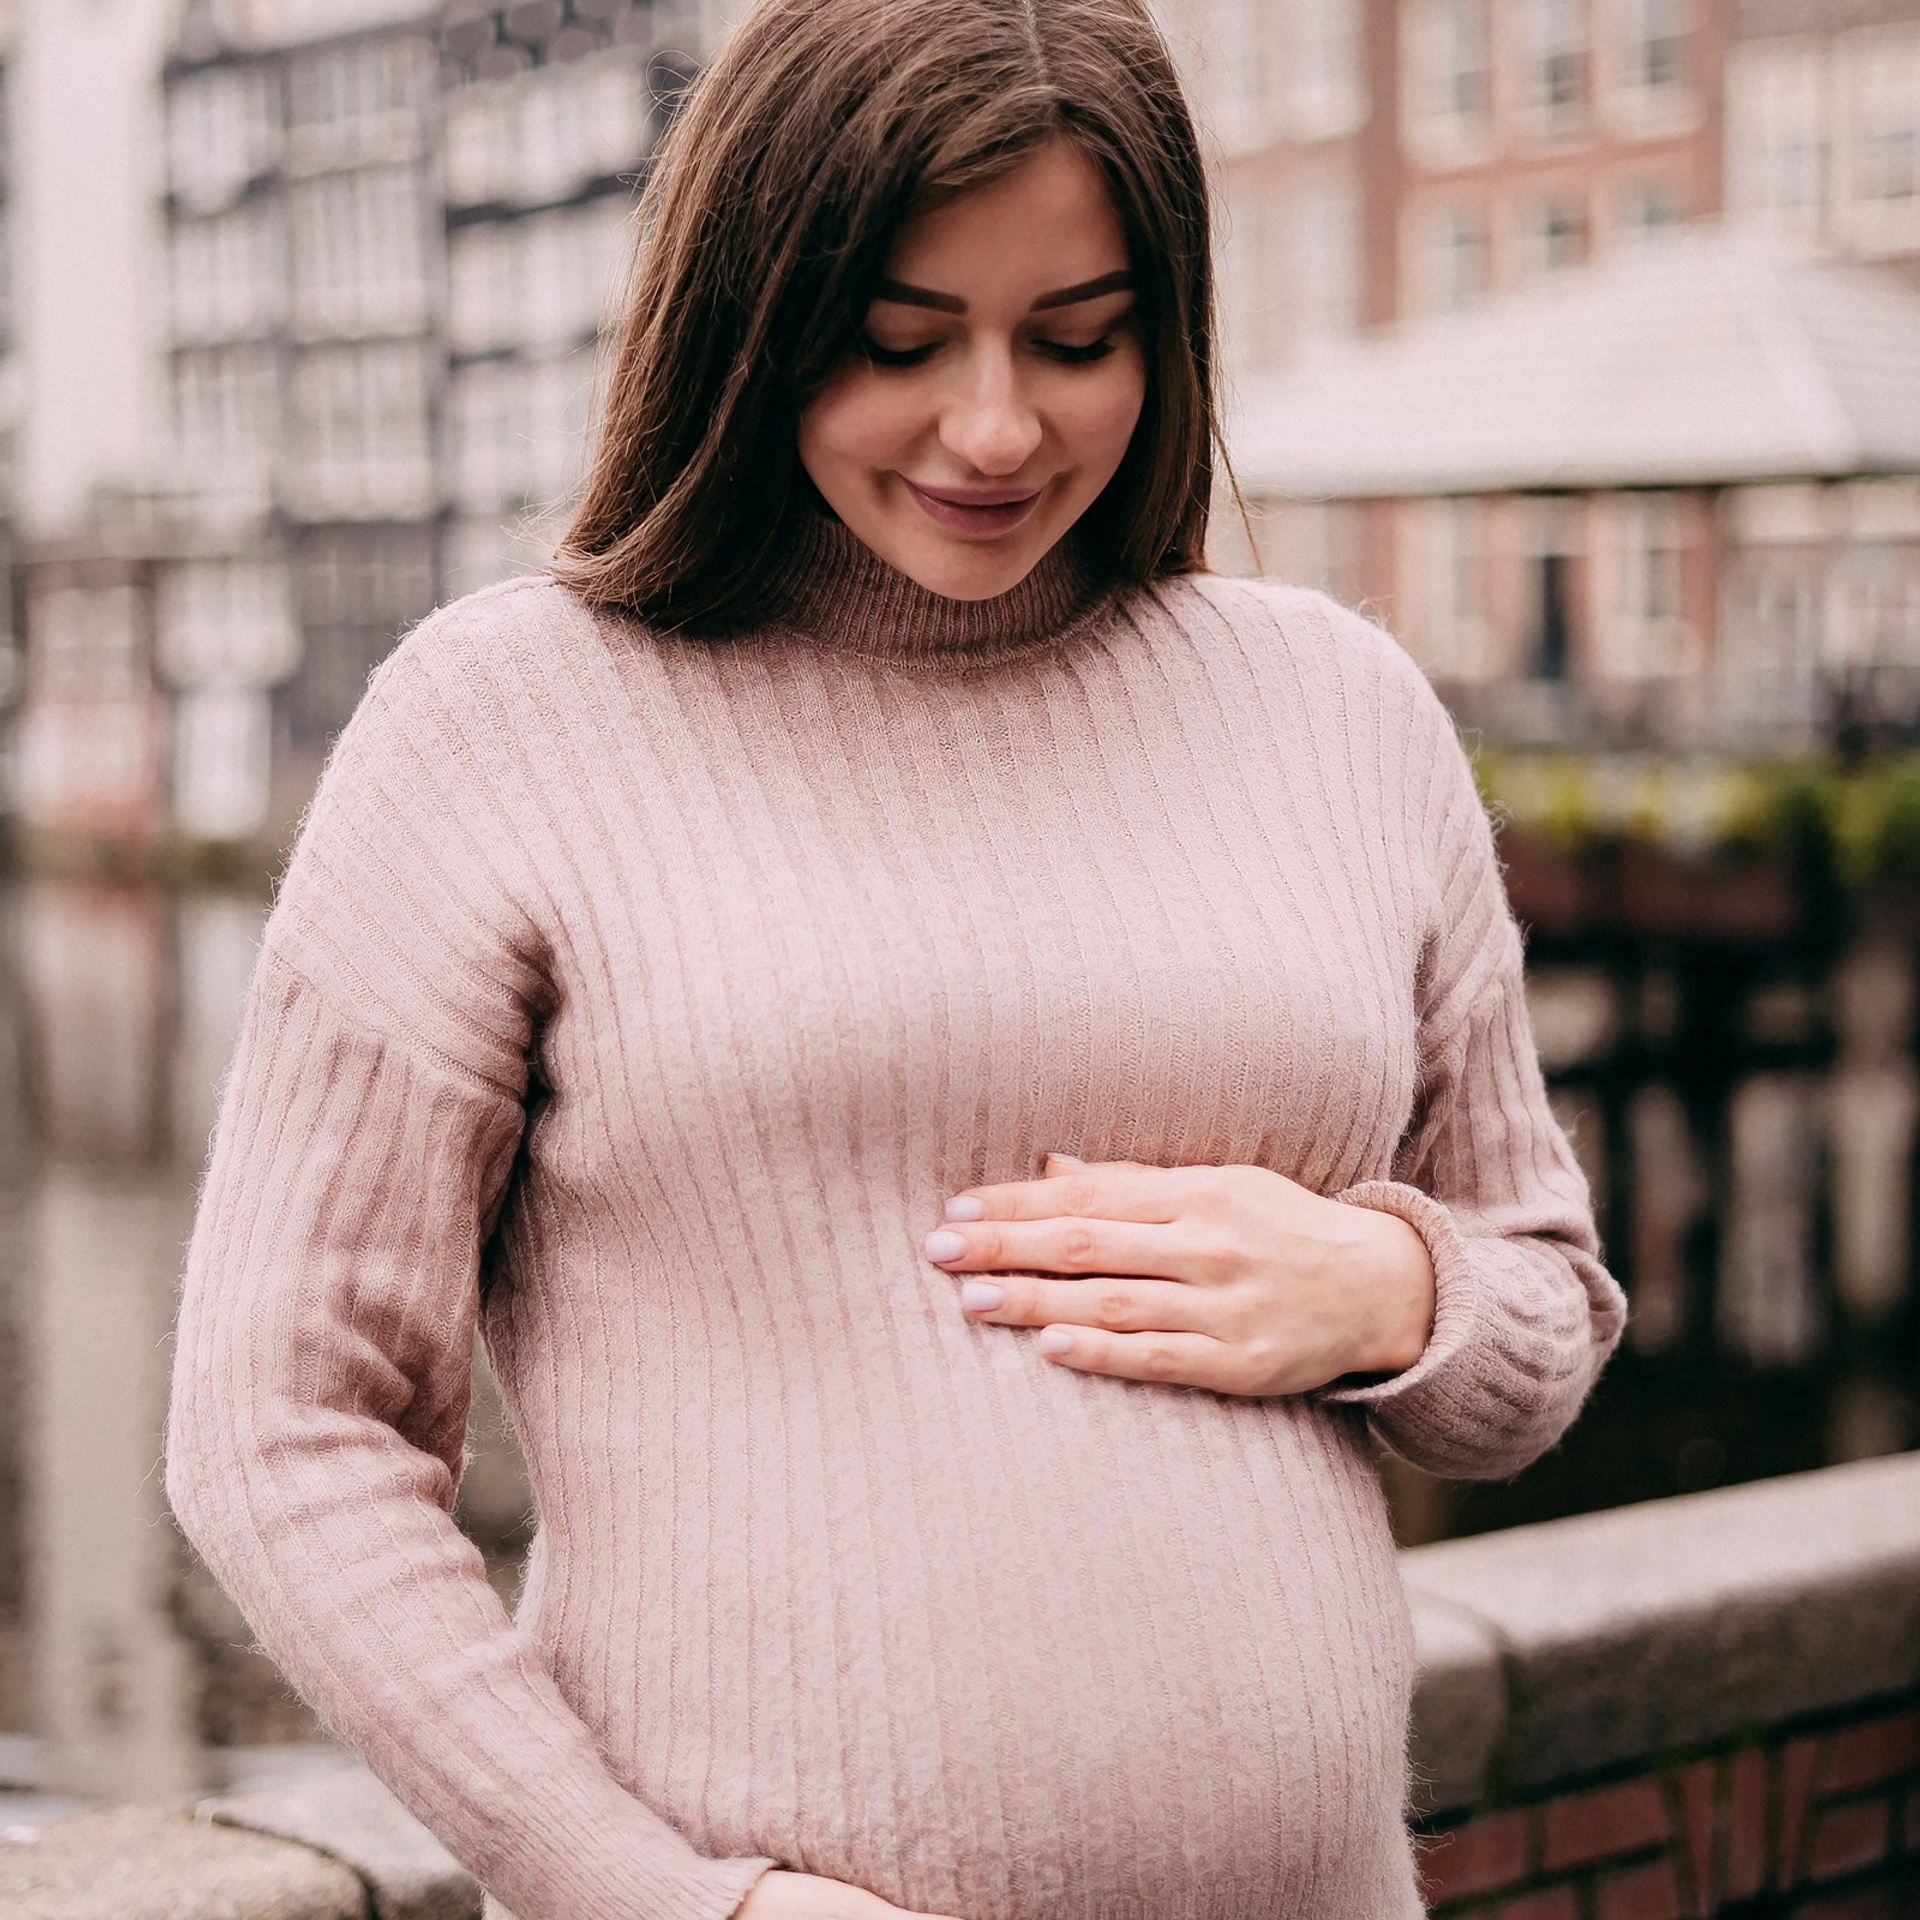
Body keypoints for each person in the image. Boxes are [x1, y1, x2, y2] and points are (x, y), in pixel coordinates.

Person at [163, 1, 1627, 1916]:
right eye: (899, 341)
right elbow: (278, 1430)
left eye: (1079, 339)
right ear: (750, 319)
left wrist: (1393, 1291)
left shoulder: (1340, 712)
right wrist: (660, 1900)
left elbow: (1546, 1311)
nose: (997, 428)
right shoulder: (503, 723)